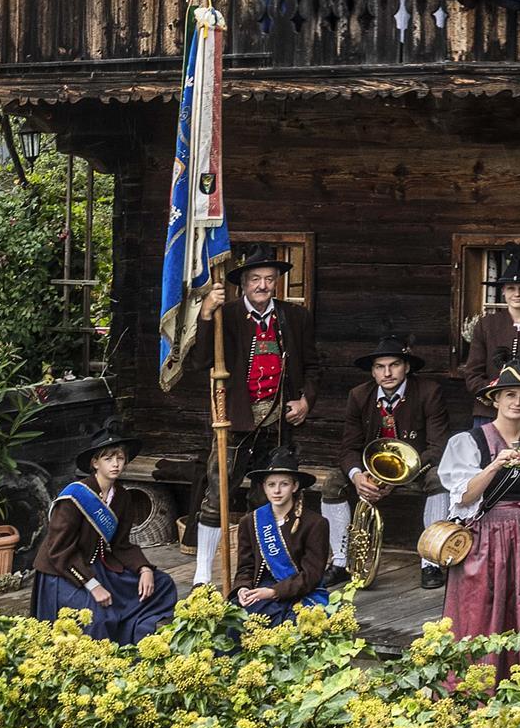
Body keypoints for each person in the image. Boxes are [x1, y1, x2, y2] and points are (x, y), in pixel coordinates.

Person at [437, 360, 520, 688]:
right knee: (480, 610)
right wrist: (494, 466)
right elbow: (465, 497)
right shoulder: (470, 442)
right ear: (495, 399)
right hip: (483, 539)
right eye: (510, 394)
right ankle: (477, 687)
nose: (517, 402)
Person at [195, 250, 313, 588]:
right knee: (218, 496)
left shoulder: (295, 317)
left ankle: (261, 569)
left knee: (267, 499)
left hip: (278, 426)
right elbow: (201, 361)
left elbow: (313, 365)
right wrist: (207, 314)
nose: (263, 285)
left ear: (277, 283)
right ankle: (203, 575)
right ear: (243, 284)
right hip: (235, 422)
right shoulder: (226, 316)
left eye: (269, 279)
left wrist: (305, 400)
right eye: (256, 279)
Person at [29, 426, 177, 644]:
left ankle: (135, 633)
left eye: (120, 458)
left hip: (96, 566)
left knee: (161, 583)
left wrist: (144, 568)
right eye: (108, 459)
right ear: (95, 463)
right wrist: (93, 586)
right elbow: (58, 551)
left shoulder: (122, 497)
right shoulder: (74, 497)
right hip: (63, 571)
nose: (115, 464)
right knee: (97, 617)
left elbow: (121, 545)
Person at [333, 337, 455, 588]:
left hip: (417, 467)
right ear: (373, 372)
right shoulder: (358, 395)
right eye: (380, 367)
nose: (387, 373)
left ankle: (431, 562)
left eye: (394, 365)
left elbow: (438, 447)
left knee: (438, 479)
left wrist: (398, 478)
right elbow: (349, 447)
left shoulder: (428, 392)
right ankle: (339, 561)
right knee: (332, 483)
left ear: (407, 367)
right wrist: (357, 477)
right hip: (373, 469)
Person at [231, 436, 344, 627]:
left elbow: (311, 575)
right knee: (234, 621)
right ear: (264, 487)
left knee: (291, 625)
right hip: (260, 591)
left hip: (300, 592)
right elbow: (245, 568)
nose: (277, 491)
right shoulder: (250, 522)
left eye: (283, 484)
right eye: (271, 485)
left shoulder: (315, 523)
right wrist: (242, 589)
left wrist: (274, 592)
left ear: (295, 486)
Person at [456, 249, 520, 403]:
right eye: (511, 288)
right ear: (503, 291)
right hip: (491, 407)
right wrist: (495, 395)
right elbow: (473, 372)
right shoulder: (485, 324)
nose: (517, 294)